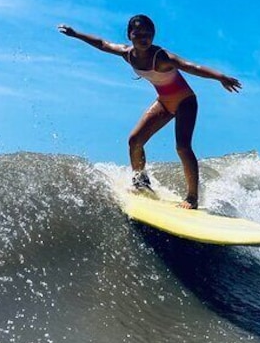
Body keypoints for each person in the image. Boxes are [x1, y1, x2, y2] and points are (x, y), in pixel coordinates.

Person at [58, 14, 242, 209]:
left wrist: (220, 77)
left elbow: (190, 66)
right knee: (134, 140)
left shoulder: (161, 57)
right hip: (164, 102)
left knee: (182, 147)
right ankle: (141, 184)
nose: (143, 38)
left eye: (148, 34)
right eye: (138, 34)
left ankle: (192, 197)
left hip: (185, 102)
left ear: (153, 35)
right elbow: (103, 43)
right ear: (130, 35)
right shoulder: (127, 54)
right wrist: (75, 34)